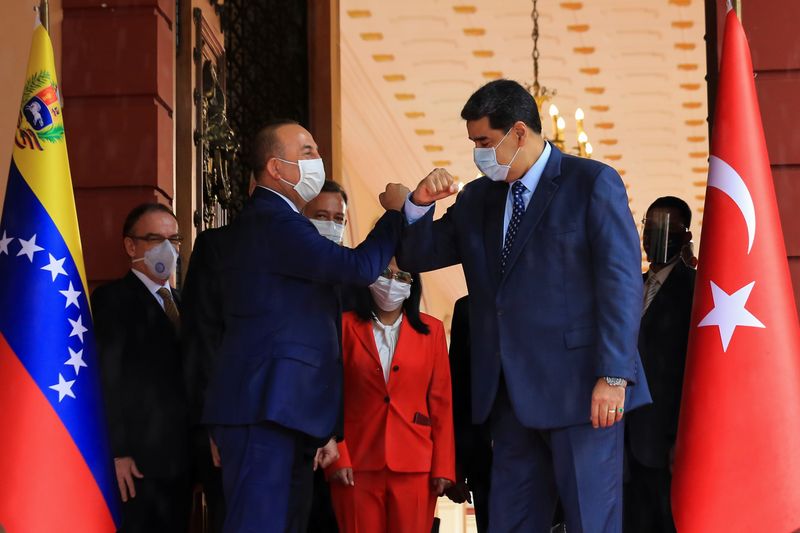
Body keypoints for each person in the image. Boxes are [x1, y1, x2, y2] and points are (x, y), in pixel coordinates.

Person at [390, 79, 651, 532]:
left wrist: (614, 375)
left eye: (484, 141)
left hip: (584, 392)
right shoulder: (476, 199)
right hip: (509, 398)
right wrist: (417, 205)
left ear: (518, 133)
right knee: (509, 523)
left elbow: (622, 284)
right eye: (473, 143)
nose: (478, 153)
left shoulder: (590, 183)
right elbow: (418, 255)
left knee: (592, 522)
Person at [201, 119, 408, 532]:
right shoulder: (274, 220)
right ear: (276, 168)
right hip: (263, 408)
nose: (319, 160)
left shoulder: (278, 221)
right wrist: (397, 212)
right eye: (308, 152)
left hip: (284, 410)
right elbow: (359, 266)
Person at [326, 258, 455, 533]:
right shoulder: (343, 326)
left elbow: (441, 403)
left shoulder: (431, 332)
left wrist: (444, 466)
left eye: (402, 276)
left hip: (416, 464)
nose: (392, 281)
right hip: (355, 464)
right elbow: (328, 393)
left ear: (413, 283)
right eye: (385, 273)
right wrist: (338, 455)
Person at [92, 203, 191, 532]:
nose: (167, 247)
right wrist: (118, 452)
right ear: (130, 245)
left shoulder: (184, 302)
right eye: (154, 238)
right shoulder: (112, 300)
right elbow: (109, 377)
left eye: (173, 238)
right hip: (137, 465)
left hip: (182, 462)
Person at [624, 197, 696, 533]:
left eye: (665, 229)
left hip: (668, 446)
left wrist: (682, 438)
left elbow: (695, 373)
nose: (654, 237)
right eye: (648, 228)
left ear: (685, 237)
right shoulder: (626, 288)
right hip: (620, 443)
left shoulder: (697, 291)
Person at [444, 295, 492, 533]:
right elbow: (457, 392)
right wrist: (456, 466)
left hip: (542, 450)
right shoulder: (467, 309)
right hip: (484, 457)